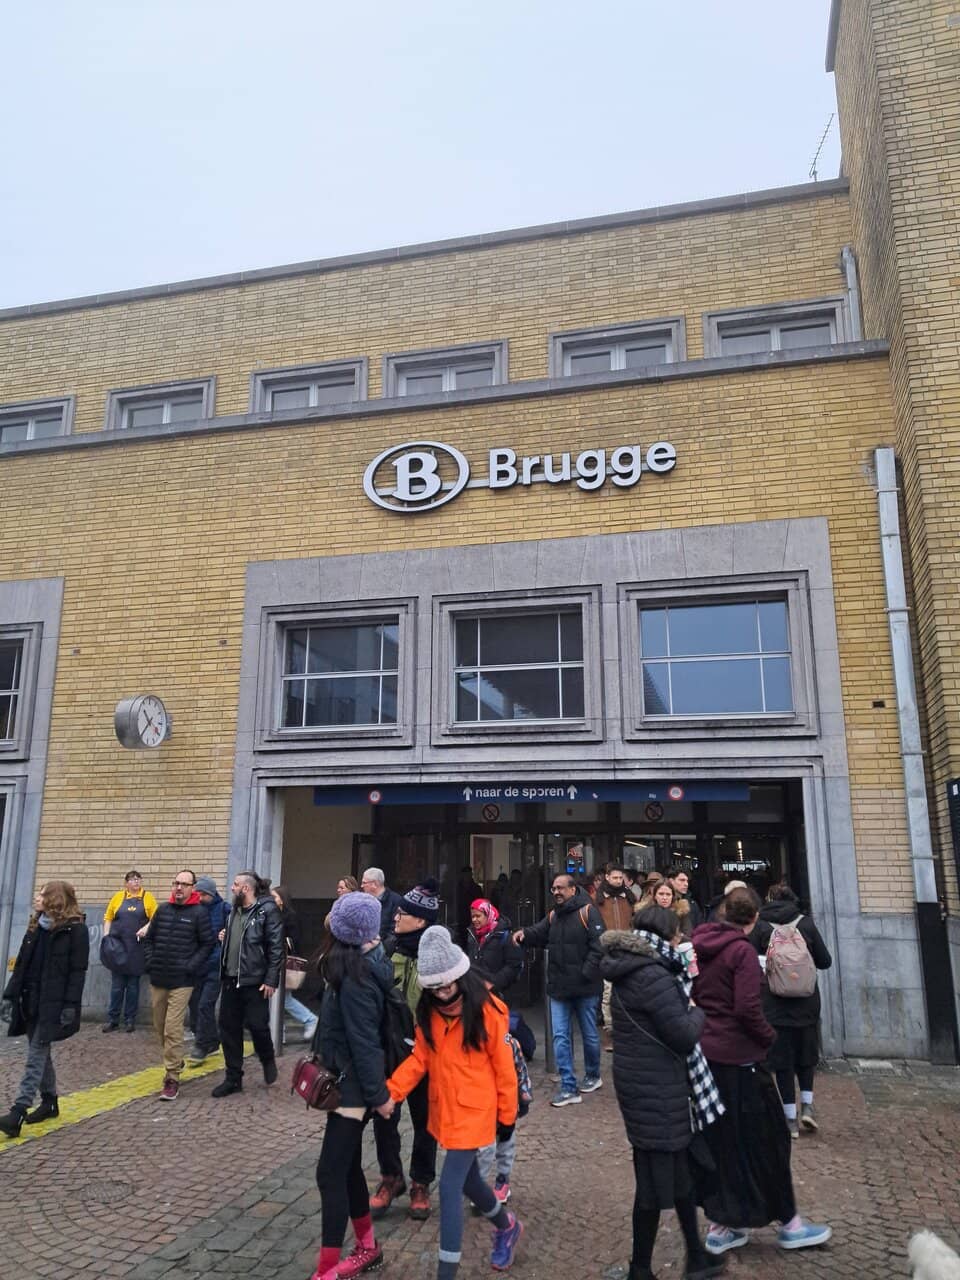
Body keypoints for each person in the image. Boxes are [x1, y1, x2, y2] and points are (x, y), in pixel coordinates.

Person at [692, 887, 832, 1255]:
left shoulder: (700, 946)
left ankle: (723, 1222)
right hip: (742, 1059)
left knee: (723, 1138)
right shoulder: (740, 952)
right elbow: (748, 1008)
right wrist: (767, 1038)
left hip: (712, 1055)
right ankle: (788, 1222)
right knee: (770, 1139)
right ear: (754, 918)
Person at [386, 926, 523, 1278]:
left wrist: (506, 1118)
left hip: (476, 1111)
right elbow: (420, 1060)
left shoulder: (488, 1010)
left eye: (448, 985)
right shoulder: (429, 1013)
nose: (444, 994)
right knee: (469, 1182)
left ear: (461, 976)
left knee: (448, 1186)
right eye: (435, 988)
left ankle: (446, 1273)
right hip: (444, 1107)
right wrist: (393, 1091)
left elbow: (504, 1068)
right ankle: (507, 1226)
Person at [601, 904, 722, 1280]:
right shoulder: (653, 975)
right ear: (668, 936)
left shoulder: (630, 967)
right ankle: (641, 1268)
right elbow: (683, 1035)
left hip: (644, 1084)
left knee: (679, 1173)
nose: (680, 940)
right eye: (677, 935)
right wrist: (697, 1009)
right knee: (653, 1186)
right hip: (657, 1089)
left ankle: (696, 1255)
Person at [310, 891, 396, 1280]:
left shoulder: (355, 977)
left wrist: (379, 1098)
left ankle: (329, 1267)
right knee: (344, 1168)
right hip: (350, 1084)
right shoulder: (351, 963)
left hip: (354, 1091)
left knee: (330, 1172)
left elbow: (365, 1042)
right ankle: (367, 1246)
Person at [369, 880, 440, 1220]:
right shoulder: (387, 949)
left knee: (426, 1120)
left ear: (422, 921)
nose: (397, 915)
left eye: (406, 913)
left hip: (427, 1054)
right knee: (385, 1117)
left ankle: (421, 1182)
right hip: (391, 1053)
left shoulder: (437, 956)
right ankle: (391, 1177)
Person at [0, 881, 89, 1137]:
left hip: (54, 1004)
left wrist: (71, 1006)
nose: (37, 898)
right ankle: (50, 1101)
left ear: (55, 899)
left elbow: (77, 972)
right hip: (30, 1001)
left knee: (36, 1054)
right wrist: (9, 997)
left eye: (42, 895)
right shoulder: (36, 927)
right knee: (40, 1051)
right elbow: (21, 967)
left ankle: (18, 1111)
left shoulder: (76, 931)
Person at [512, 872, 604, 1106]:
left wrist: (586, 973)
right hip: (560, 987)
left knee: (590, 1035)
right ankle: (569, 1086)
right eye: (553, 888)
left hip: (585, 987)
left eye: (561, 888)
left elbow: (599, 947)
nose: (556, 892)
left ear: (573, 890)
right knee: (560, 1036)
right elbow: (539, 932)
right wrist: (524, 935)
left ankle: (593, 1075)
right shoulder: (554, 915)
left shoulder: (588, 912)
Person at [758, 883, 832, 1138]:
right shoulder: (807, 924)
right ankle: (808, 1106)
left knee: (783, 1061)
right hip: (807, 1003)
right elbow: (825, 961)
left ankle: (789, 1119)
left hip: (775, 1003)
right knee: (806, 1056)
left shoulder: (761, 926)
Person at [142, 869, 213, 1101]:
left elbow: (207, 944)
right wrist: (151, 961)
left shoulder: (199, 913)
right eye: (176, 883)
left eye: (184, 884)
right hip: (159, 978)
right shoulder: (162, 910)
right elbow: (149, 938)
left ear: (193, 887)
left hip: (182, 980)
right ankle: (176, 1059)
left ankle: (171, 1077)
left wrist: (190, 966)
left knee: (173, 1028)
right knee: (160, 1026)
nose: (179, 887)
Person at [211, 870, 283, 1098]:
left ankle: (267, 1058)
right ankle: (233, 1078)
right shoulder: (234, 911)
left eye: (235, 884)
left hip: (254, 980)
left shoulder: (267, 911)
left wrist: (271, 978)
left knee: (257, 1025)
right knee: (228, 1029)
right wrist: (225, 937)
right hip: (231, 979)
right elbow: (238, 940)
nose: (231, 888)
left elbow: (275, 947)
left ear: (246, 888)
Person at [101, 869, 157, 1033]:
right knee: (117, 986)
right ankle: (113, 1020)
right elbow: (108, 917)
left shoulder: (148, 897)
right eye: (132, 879)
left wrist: (146, 928)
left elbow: (155, 917)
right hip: (118, 948)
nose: (136, 882)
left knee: (133, 986)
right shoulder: (118, 897)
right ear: (126, 883)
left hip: (137, 948)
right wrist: (106, 937)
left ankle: (130, 1019)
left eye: (138, 879)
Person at [186, 876, 230, 1064]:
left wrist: (227, 934)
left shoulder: (225, 909)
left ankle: (202, 1044)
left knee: (205, 1004)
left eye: (202, 894)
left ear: (210, 894)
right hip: (198, 965)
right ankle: (211, 1041)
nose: (200, 897)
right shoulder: (196, 910)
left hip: (215, 966)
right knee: (195, 1003)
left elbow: (237, 927)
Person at [597, 863, 637, 1052]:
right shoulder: (597, 899)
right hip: (607, 950)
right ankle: (611, 1033)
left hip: (627, 948)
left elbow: (635, 920)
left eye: (620, 878)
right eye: (614, 877)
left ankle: (627, 1033)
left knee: (629, 991)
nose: (618, 881)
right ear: (607, 877)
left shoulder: (629, 898)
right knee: (608, 994)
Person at [271, 883, 319, 1043]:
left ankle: (309, 1020)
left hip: (284, 962)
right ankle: (279, 1033)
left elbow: (295, 940)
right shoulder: (274, 914)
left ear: (282, 900)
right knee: (280, 999)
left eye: (274, 897)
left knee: (283, 998)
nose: (271, 900)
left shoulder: (289, 917)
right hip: (276, 961)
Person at [466, 898, 523, 999]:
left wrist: (494, 984)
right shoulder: (472, 935)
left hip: (498, 994)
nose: (474, 920)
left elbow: (513, 966)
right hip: (476, 992)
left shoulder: (504, 935)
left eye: (478, 916)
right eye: (472, 916)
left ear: (488, 915)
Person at [360, 867, 403, 953]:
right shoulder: (362, 901)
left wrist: (380, 952)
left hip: (382, 955)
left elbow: (395, 932)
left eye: (364, 883)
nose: (361, 886)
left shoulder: (396, 901)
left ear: (374, 884)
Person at [455, 865, 484, 947]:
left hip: (473, 917)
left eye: (469, 874)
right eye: (465, 875)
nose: (467, 877)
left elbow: (481, 903)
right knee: (461, 940)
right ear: (462, 875)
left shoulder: (476, 888)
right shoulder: (457, 888)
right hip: (460, 917)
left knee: (473, 939)